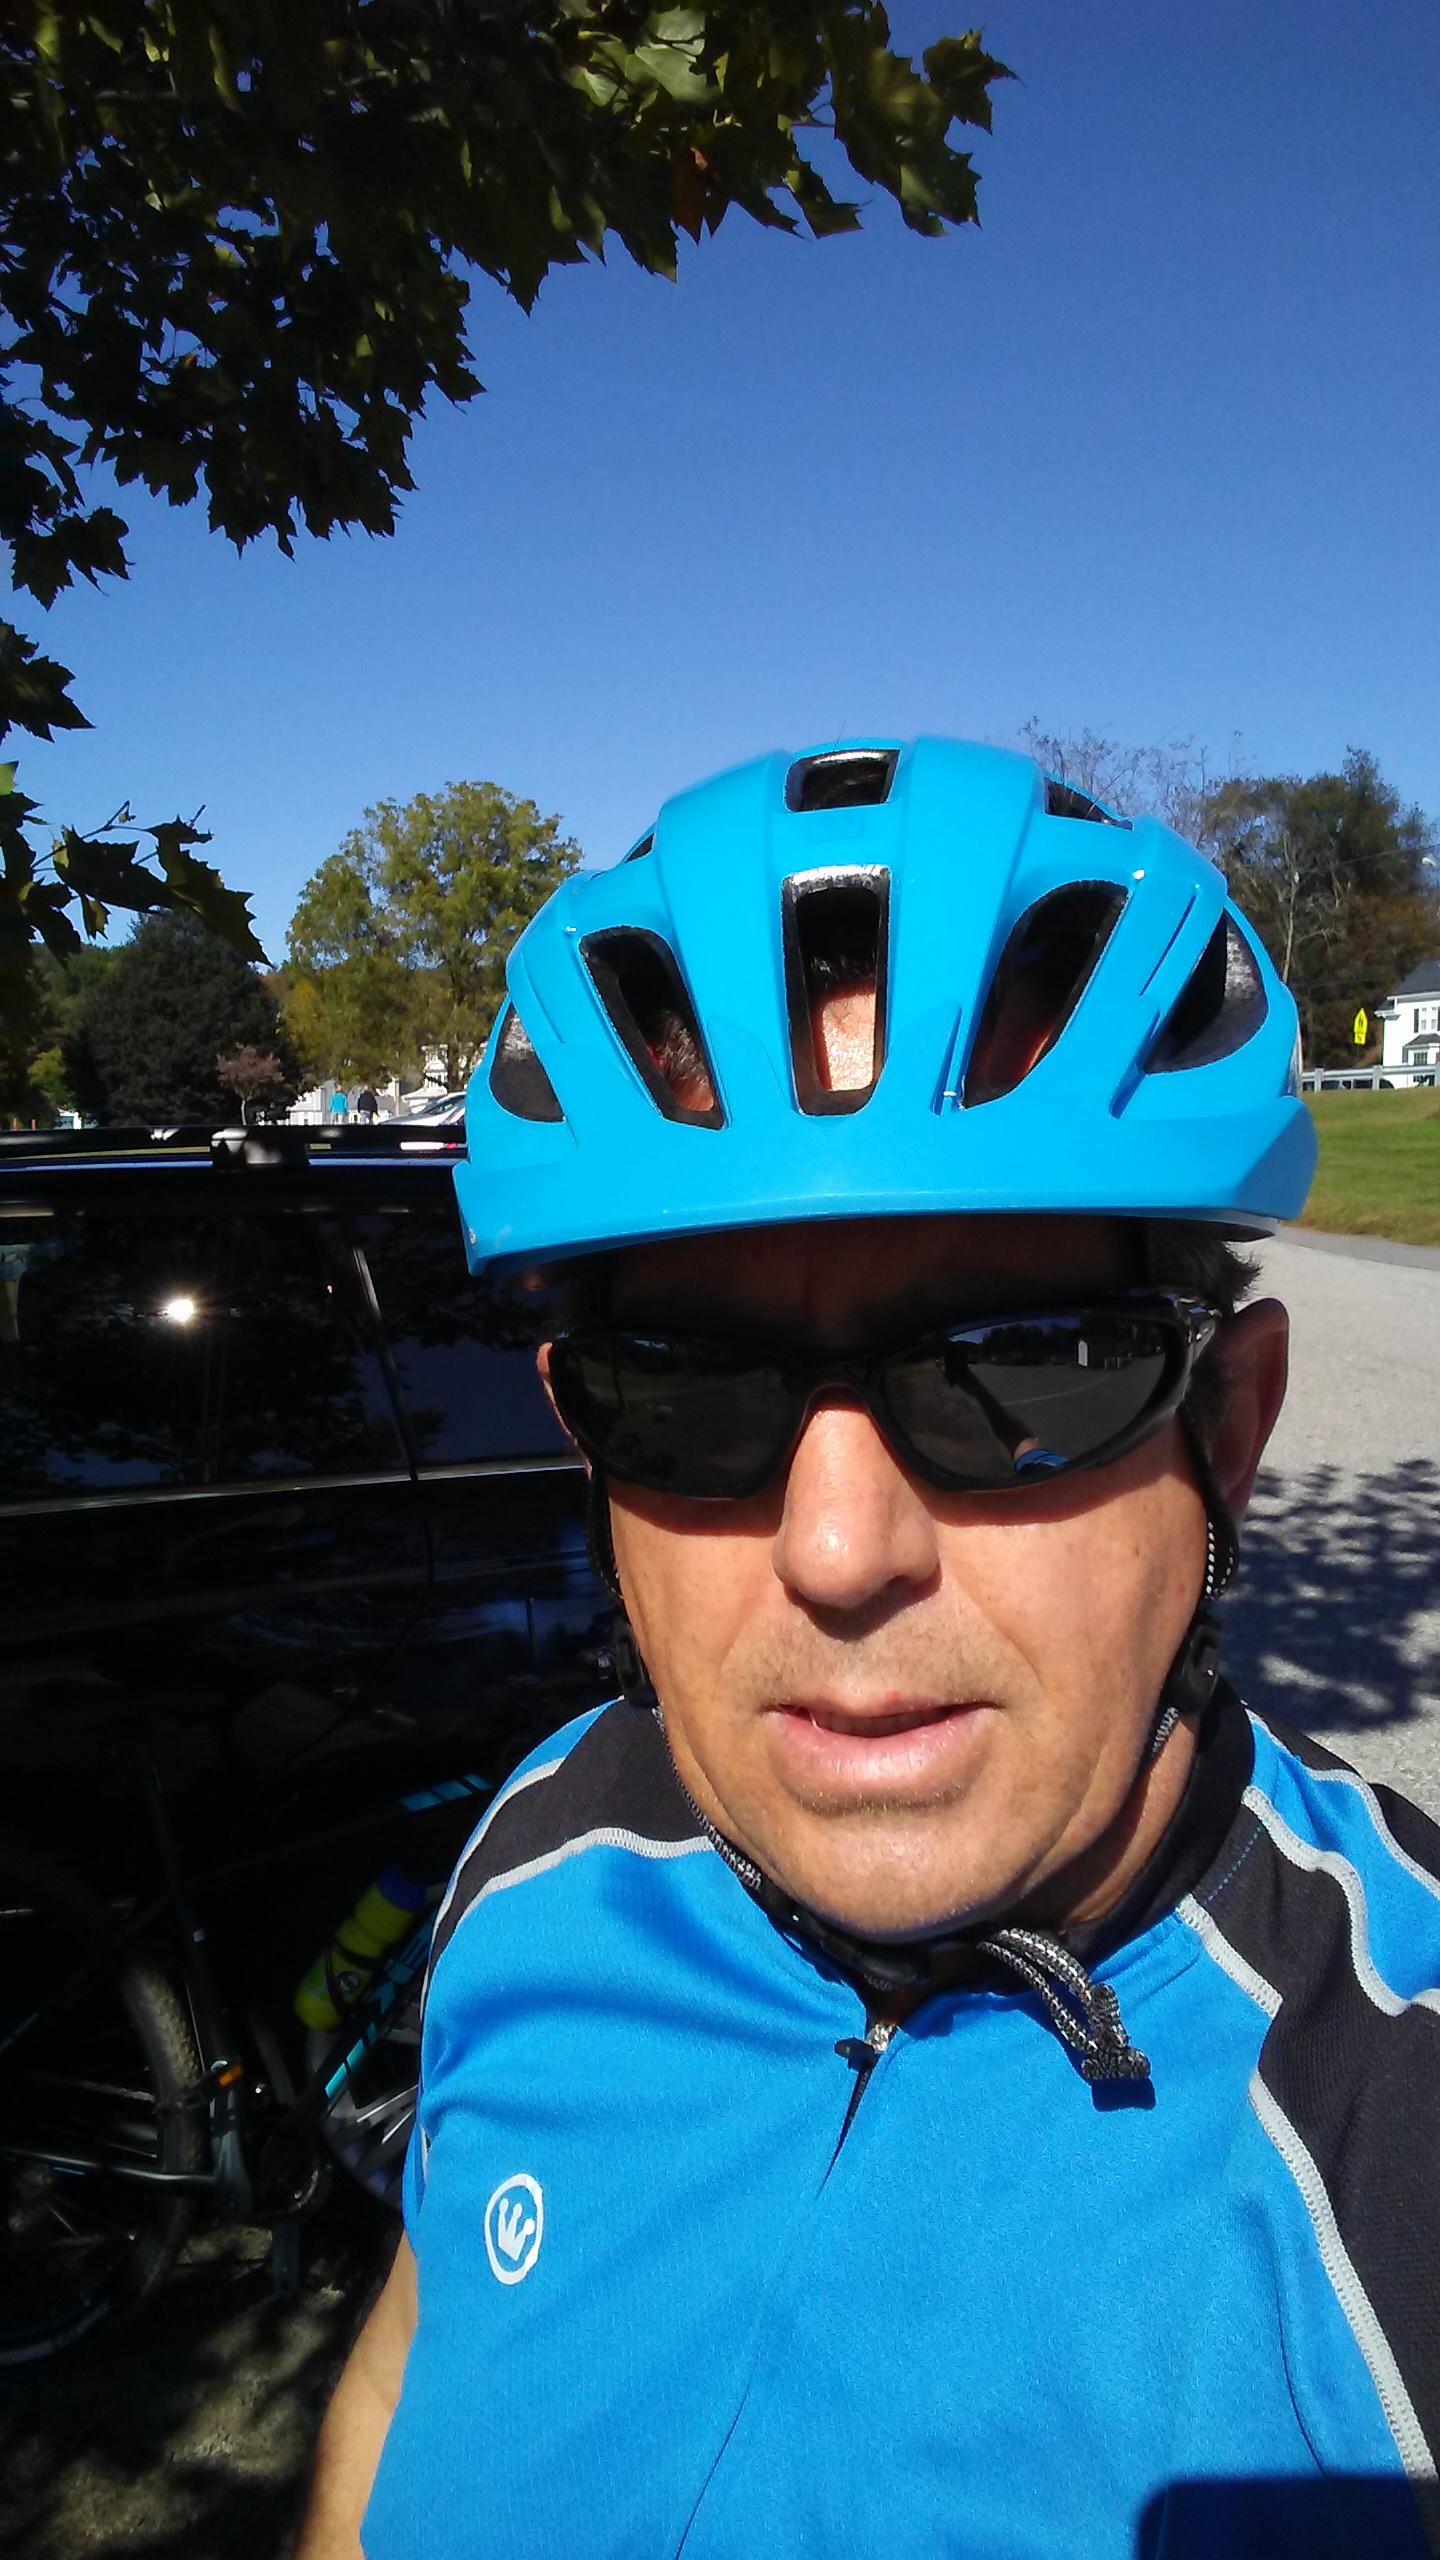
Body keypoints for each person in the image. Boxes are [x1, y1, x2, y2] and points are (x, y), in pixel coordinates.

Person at [297, 738, 1440, 2560]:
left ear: (1228, 1433)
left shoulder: (1401, 2120)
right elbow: (400, 2382)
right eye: (685, 1394)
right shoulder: (540, 1849)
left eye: (1023, 1368)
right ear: (585, 1434)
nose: (839, 1554)